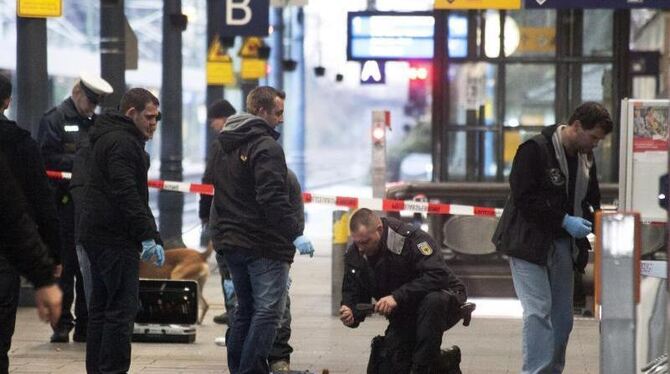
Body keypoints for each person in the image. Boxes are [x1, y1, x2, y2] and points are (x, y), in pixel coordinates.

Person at [492, 101, 613, 374]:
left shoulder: (585, 158)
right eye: (593, 137)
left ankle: (552, 370)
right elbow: (523, 198)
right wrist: (563, 220)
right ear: (576, 126)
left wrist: (600, 222)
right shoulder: (534, 151)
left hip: (563, 247)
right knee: (538, 312)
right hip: (528, 245)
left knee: (562, 319)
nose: (595, 144)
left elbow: (592, 197)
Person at [209, 86, 304, 374]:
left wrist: (221, 242)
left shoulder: (223, 145)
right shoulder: (266, 147)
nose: (281, 119)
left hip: (233, 243)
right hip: (263, 246)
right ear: (261, 111)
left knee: (244, 312)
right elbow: (272, 199)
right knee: (267, 314)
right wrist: (294, 234)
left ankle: (238, 369)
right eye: (278, 112)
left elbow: (221, 198)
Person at [79, 88, 165, 374]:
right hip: (114, 238)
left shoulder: (109, 137)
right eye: (149, 117)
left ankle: (98, 369)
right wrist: (147, 234)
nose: (153, 123)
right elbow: (127, 192)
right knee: (120, 311)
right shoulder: (124, 144)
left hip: (98, 234)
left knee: (102, 309)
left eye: (157, 118)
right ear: (132, 114)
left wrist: (151, 233)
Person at [339, 208, 467, 374]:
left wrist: (396, 297)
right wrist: (349, 310)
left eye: (365, 242)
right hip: (405, 308)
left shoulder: (410, 238)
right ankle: (445, 361)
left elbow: (438, 275)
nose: (361, 248)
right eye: (357, 242)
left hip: (443, 298)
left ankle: (422, 368)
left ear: (379, 229)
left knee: (433, 302)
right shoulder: (355, 253)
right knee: (391, 363)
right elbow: (353, 291)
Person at [37, 73, 113, 343]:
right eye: (90, 100)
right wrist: (80, 162)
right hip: (63, 205)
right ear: (78, 91)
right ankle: (61, 325)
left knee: (87, 266)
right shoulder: (55, 119)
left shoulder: (96, 123)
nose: (92, 107)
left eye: (96, 103)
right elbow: (46, 158)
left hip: (89, 205)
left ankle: (85, 323)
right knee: (66, 265)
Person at [0, 74, 63, 373]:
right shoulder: (22, 144)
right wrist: (49, 263)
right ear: (7, 102)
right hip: (5, 257)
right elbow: (33, 206)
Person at [268, 168, 315, 373]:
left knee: (279, 309)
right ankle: (250, 359)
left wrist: (287, 262)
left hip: (274, 252)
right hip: (243, 251)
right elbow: (222, 219)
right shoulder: (235, 172)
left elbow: (296, 221)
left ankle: (277, 358)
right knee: (245, 311)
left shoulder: (286, 177)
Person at [198, 99, 238, 326]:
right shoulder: (247, 139)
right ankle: (233, 307)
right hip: (238, 215)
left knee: (225, 264)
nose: (212, 125)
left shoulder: (221, 143)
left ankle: (232, 308)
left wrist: (204, 213)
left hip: (221, 214)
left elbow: (208, 180)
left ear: (223, 118)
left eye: (213, 121)